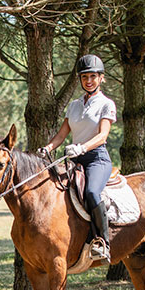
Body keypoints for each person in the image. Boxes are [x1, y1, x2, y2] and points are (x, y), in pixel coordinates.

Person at [40, 54, 116, 262]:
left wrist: (82, 147)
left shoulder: (106, 104)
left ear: (101, 78)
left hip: (96, 158)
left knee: (91, 192)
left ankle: (103, 241)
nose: (88, 81)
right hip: (74, 160)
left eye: (92, 76)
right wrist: (47, 148)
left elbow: (102, 136)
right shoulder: (73, 106)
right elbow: (62, 135)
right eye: (84, 77)